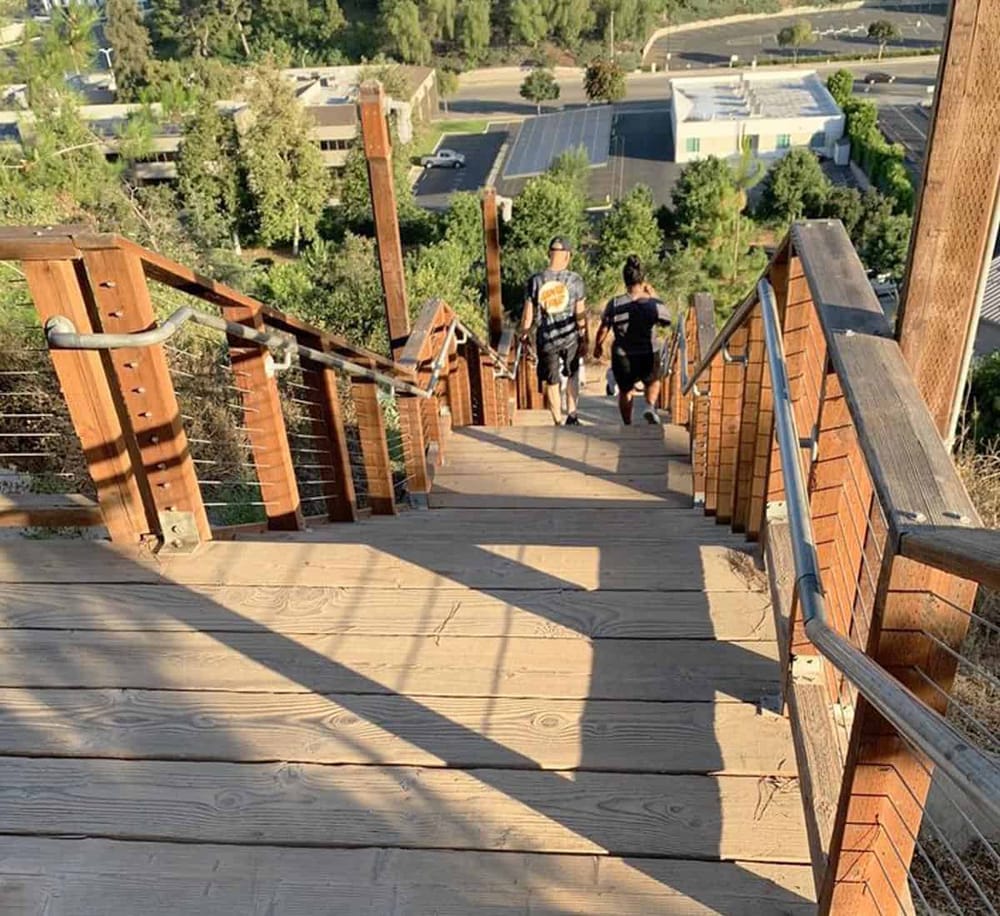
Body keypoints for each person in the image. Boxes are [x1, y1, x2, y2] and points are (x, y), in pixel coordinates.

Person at [593, 254, 671, 425]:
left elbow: (604, 328)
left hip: (623, 355)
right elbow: (667, 320)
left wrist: (597, 346)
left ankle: (627, 423)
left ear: (625, 280)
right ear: (643, 280)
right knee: (653, 382)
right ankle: (650, 406)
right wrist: (655, 296)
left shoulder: (614, 303)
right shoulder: (652, 303)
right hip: (648, 352)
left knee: (625, 390)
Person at [520, 236, 588, 426]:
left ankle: (557, 421)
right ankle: (572, 414)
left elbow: (528, 316)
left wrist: (524, 335)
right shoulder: (575, 280)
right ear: (567, 256)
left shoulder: (535, 281)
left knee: (552, 381)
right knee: (573, 374)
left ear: (549, 254)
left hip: (546, 338)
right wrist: (583, 335)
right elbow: (580, 313)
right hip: (570, 337)